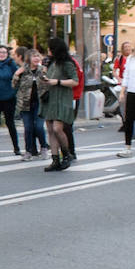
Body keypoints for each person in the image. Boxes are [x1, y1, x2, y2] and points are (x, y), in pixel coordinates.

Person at [41, 37, 78, 171]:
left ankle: (66, 154)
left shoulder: (67, 63)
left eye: (50, 48)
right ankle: (55, 159)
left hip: (62, 98)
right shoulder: (51, 63)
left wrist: (57, 82)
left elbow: (75, 81)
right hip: (50, 98)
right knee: (50, 130)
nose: (48, 51)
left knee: (57, 128)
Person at [13, 47, 50, 159]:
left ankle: (43, 147)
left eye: (38, 56)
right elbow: (14, 86)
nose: (36, 58)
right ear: (28, 58)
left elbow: (49, 84)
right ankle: (28, 151)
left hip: (40, 103)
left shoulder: (43, 70)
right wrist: (16, 75)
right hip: (25, 103)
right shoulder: (23, 71)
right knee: (28, 128)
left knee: (39, 127)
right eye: (34, 56)